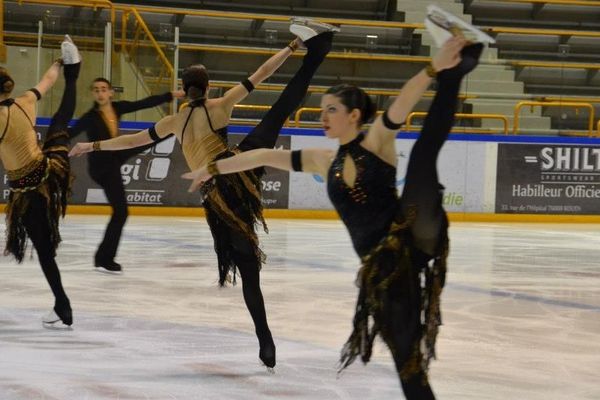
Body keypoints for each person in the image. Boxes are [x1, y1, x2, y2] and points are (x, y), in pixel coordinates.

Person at [178, 31, 485, 398]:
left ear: (354, 115)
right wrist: (211, 170)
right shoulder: (322, 161)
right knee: (409, 366)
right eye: (322, 109)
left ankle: (455, 76)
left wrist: (436, 67)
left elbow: (404, 101)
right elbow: (259, 157)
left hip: (415, 234)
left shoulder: (378, 142)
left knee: (422, 159)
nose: (323, 116)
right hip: (383, 270)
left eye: (332, 110)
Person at [70, 18, 337, 370]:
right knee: (281, 109)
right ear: (208, 88)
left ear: (184, 88)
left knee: (246, 268)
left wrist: (92, 144)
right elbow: (262, 73)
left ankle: (265, 339)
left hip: (217, 196)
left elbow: (132, 141)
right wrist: (291, 47)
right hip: (237, 169)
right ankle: (317, 48)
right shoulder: (220, 105)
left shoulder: (172, 122)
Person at [0, 35, 81, 329]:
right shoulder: (25, 101)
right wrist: (59, 65)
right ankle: (74, 71)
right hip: (49, 169)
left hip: (32, 190)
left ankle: (63, 306)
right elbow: (47, 80)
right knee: (60, 121)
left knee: (45, 252)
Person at [69, 78, 185, 274]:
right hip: (102, 167)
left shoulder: (117, 108)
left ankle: (173, 126)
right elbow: (70, 133)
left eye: (104, 89)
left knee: (147, 138)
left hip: (115, 156)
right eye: (96, 90)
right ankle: (104, 258)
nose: (100, 93)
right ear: (93, 93)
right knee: (121, 212)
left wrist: (171, 95)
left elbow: (143, 103)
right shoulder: (89, 117)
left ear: (111, 92)